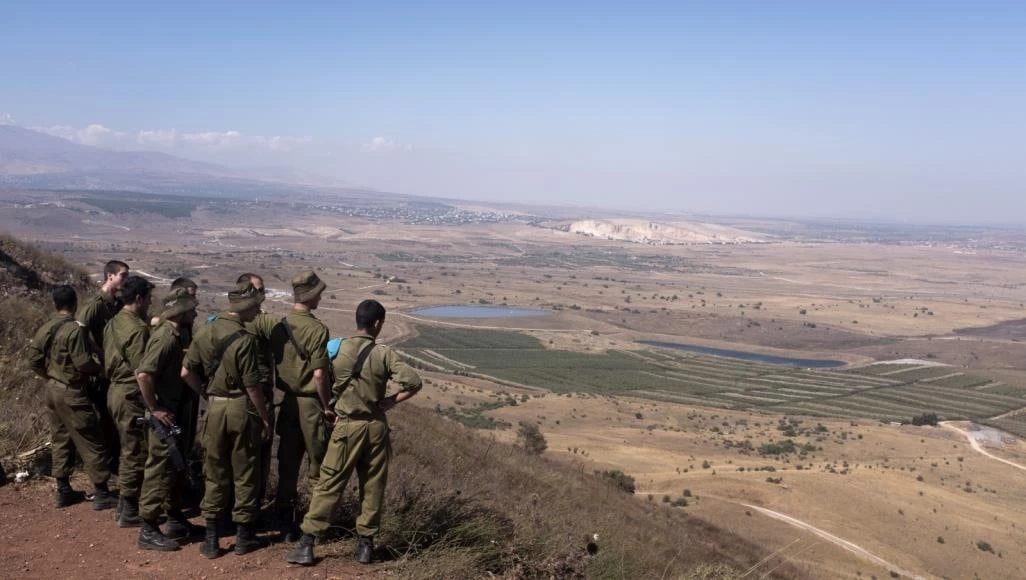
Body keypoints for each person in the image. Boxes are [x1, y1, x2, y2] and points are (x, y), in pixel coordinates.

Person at [287, 299, 423, 566]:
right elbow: (414, 382)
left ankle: (308, 543)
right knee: (372, 485)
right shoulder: (383, 354)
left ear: (358, 320)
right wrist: (390, 401)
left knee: (329, 483)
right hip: (375, 427)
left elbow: (319, 377)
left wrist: (327, 406)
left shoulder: (337, 348)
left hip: (346, 425)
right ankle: (365, 546)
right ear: (377, 323)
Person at [182, 280, 272, 559]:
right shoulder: (245, 340)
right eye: (255, 306)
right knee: (245, 472)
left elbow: (186, 372)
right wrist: (264, 417)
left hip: (215, 408)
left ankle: (211, 539)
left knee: (214, 471)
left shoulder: (205, 330)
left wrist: (206, 394)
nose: (258, 311)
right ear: (244, 308)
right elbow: (252, 387)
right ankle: (243, 537)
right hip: (241, 409)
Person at [25, 285, 119, 511]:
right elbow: (83, 363)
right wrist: (101, 370)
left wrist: (49, 376)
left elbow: (34, 359)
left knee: (61, 439)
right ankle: (102, 492)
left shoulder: (46, 327)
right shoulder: (74, 330)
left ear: (55, 304)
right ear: (75, 304)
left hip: (52, 390)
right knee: (91, 438)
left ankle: (63, 490)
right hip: (72, 392)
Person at [261, 271, 333, 541]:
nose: (321, 298)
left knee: (288, 463)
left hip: (288, 402)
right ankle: (313, 526)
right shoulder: (317, 329)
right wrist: (328, 405)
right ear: (311, 295)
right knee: (318, 465)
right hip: (311, 404)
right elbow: (319, 375)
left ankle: (283, 517)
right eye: (319, 293)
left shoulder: (280, 326)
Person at [136, 288, 204, 551]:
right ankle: (148, 528)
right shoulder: (165, 338)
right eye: (191, 309)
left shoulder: (177, 334)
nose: (195, 313)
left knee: (176, 466)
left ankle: (174, 518)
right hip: (164, 414)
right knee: (159, 469)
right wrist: (154, 408)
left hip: (176, 411)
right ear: (181, 311)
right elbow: (143, 374)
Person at [104, 275, 155, 527]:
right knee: (136, 451)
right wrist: (153, 405)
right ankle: (130, 508)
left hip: (115, 390)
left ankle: (124, 506)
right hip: (130, 393)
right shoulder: (137, 329)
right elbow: (141, 371)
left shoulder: (114, 322)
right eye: (148, 298)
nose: (150, 303)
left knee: (128, 449)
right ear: (138, 298)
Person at [78, 260, 129, 474]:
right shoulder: (96, 305)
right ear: (110, 276)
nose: (125, 279)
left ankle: (113, 464)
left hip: (115, 369)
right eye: (123, 275)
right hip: (102, 371)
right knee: (103, 421)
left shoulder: (117, 304)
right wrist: (97, 352)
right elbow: (79, 332)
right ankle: (101, 468)